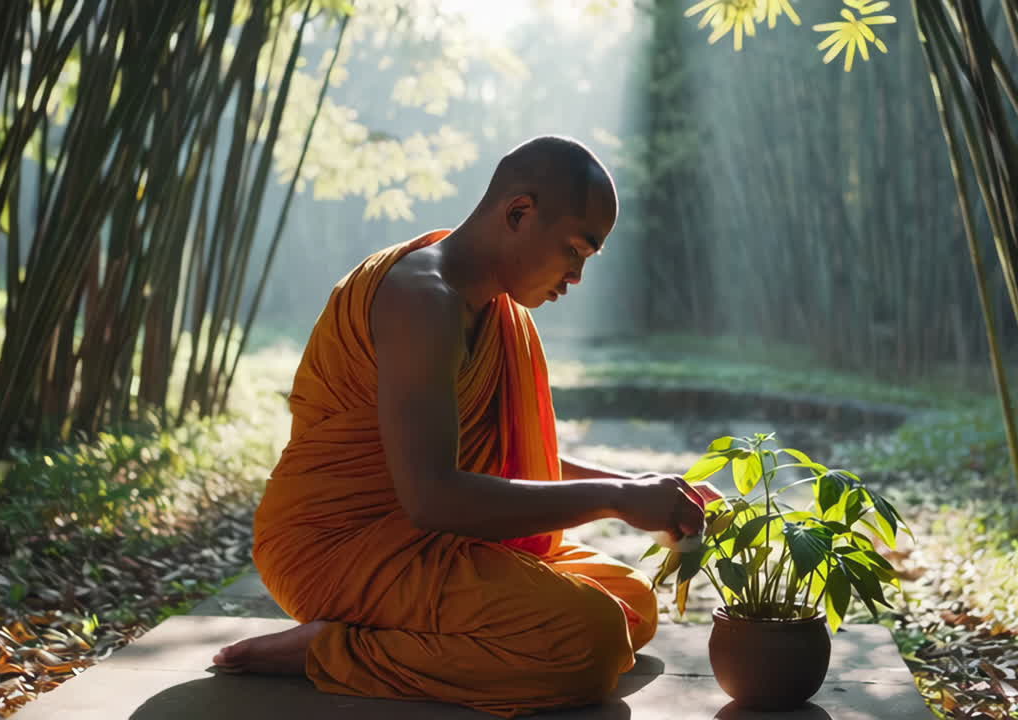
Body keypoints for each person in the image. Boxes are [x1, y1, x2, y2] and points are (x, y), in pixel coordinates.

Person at [210, 135, 707, 717]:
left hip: (436, 542)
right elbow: (433, 496)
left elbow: (516, 457)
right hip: (336, 544)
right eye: (574, 250)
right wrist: (616, 499)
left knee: (630, 603)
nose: (575, 276)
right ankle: (333, 649)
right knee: (591, 643)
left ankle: (402, 637)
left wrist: (643, 488)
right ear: (519, 213)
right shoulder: (422, 298)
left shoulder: (495, 310)